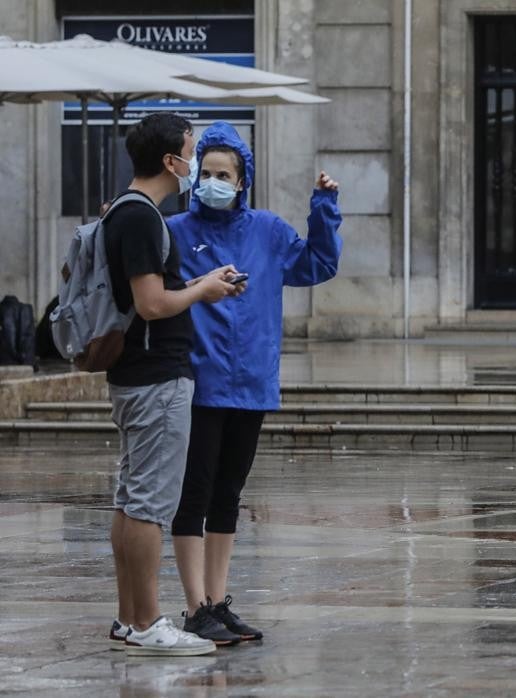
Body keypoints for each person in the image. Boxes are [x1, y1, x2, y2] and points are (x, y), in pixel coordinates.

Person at [166, 121, 343, 645]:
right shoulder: (176, 232)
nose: (214, 181)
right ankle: (193, 606)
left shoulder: (266, 230)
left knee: (228, 495)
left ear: (243, 181)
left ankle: (217, 602)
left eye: (225, 174)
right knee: (192, 494)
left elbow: (318, 264)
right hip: (197, 384)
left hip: (252, 383)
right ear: (195, 176)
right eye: (207, 172)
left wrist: (324, 208)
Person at [104, 113, 242, 656]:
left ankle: (127, 619)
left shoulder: (126, 209)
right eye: (190, 152)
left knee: (130, 500)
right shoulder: (141, 217)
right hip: (156, 376)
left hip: (139, 376)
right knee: (149, 506)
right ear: (171, 161)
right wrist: (202, 289)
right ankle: (148, 622)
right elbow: (151, 303)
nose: (194, 163)